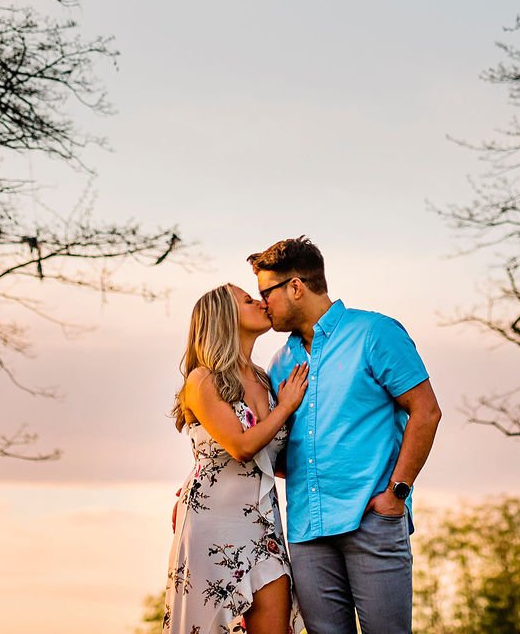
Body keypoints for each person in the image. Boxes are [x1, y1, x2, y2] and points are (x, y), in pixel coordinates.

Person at [253, 237, 442, 634]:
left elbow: (426, 411)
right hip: (307, 532)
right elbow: (276, 447)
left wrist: (398, 494)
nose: (263, 305)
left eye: (265, 293)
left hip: (371, 520)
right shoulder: (280, 362)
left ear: (295, 287)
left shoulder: (375, 332)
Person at [161, 283, 312, 634]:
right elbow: (241, 446)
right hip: (213, 523)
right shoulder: (203, 380)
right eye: (248, 300)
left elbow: (272, 458)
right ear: (225, 318)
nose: (260, 303)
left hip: (264, 525)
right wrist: (287, 406)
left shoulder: (265, 378)